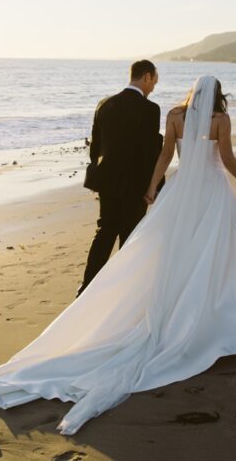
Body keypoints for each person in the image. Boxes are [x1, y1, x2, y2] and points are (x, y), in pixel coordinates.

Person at [0, 75, 236, 435]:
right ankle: (210, 305)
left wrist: (151, 188)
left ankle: (180, 301)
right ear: (218, 95)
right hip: (211, 192)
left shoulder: (176, 115)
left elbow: (164, 155)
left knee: (175, 251)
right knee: (214, 249)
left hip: (180, 191)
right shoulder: (219, 120)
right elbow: (225, 158)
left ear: (192, 93)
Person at [77, 60, 162, 296]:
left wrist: (100, 172)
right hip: (136, 183)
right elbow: (150, 150)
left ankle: (87, 287)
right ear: (146, 77)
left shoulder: (105, 104)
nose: (154, 86)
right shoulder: (150, 109)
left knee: (105, 231)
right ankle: (124, 292)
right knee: (130, 235)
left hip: (108, 181)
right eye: (154, 80)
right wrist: (154, 185)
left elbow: (96, 147)